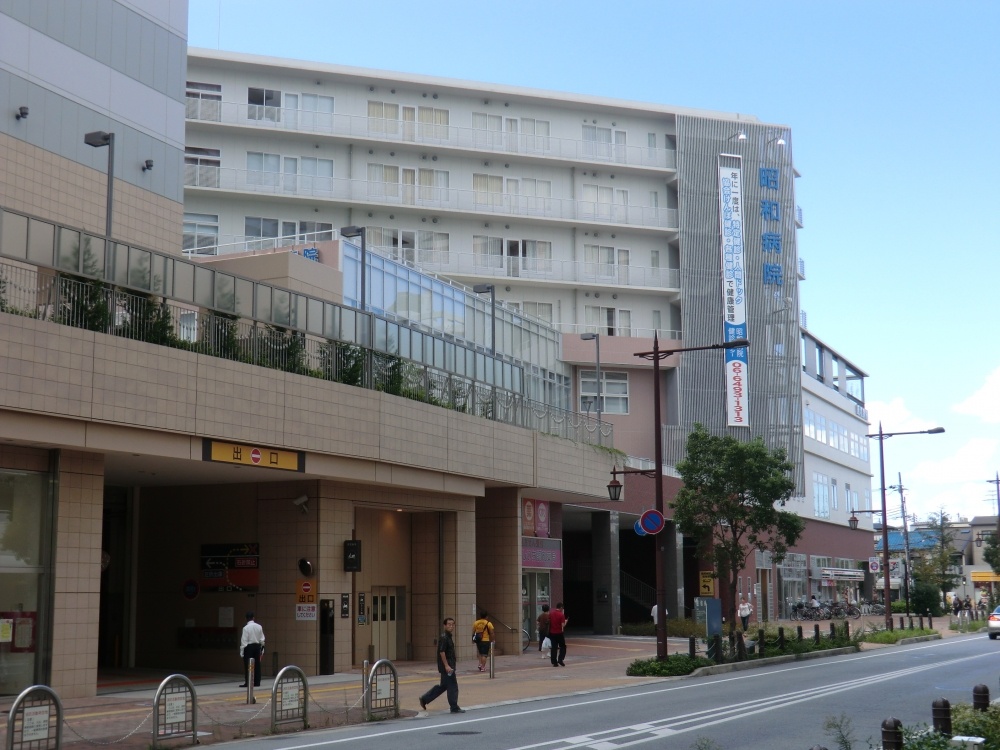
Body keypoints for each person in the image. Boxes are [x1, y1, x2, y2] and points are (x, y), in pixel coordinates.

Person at [418, 617, 464, 714]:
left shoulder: (448, 636)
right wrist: (447, 666)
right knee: (452, 686)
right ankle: (454, 707)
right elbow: (442, 652)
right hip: (447, 667)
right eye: (449, 624)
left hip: (448, 666)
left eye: (453, 624)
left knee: (443, 686)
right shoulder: (444, 637)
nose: (451, 626)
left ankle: (425, 698)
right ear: (445, 625)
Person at [239, 611, 265, 688]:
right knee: (257, 664)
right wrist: (262, 648)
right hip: (257, 647)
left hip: (248, 647)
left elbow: (244, 641)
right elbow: (262, 639)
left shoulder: (245, 628)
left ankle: (248, 682)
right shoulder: (259, 626)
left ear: (246, 619)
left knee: (248, 665)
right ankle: (257, 682)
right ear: (253, 618)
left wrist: (242, 652)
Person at [548, 602, 568, 667]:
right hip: (559, 632)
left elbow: (548, 622)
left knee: (554, 647)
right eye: (562, 608)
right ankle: (560, 659)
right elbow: (563, 625)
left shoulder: (551, 613)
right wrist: (565, 622)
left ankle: (554, 662)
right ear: (561, 607)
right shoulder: (561, 615)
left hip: (552, 632)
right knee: (563, 646)